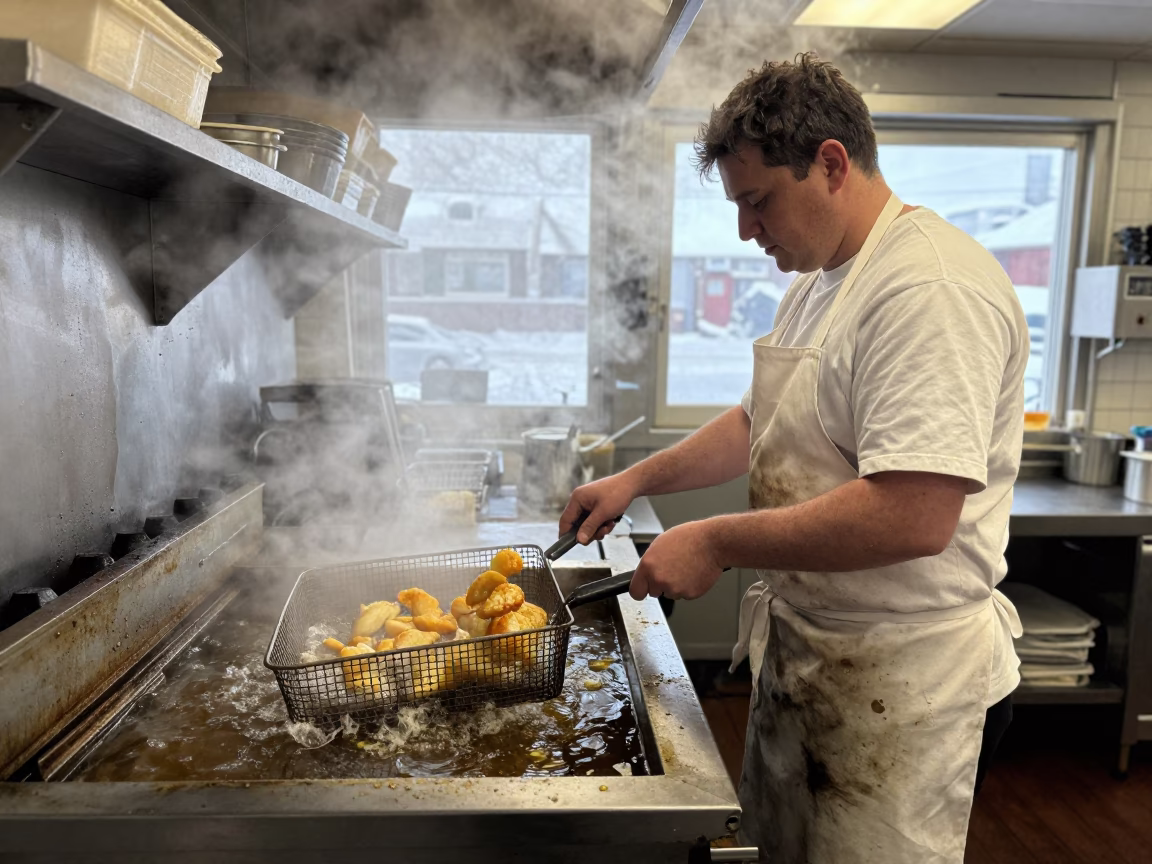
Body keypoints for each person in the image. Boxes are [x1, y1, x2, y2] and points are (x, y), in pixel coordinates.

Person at [560, 53, 1026, 863]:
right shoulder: (818, 282)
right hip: (813, 652)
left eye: (758, 201)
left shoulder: (927, 289)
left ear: (832, 164)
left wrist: (716, 540)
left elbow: (914, 514)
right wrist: (633, 480)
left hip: (903, 677)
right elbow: (760, 420)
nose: (747, 230)